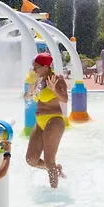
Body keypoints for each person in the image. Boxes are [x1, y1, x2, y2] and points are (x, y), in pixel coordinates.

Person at [25, 52, 68, 188]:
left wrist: (54, 89)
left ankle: (54, 193)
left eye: (36, 66)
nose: (34, 69)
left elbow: (65, 99)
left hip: (54, 120)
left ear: (45, 66)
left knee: (49, 160)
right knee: (31, 159)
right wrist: (30, 92)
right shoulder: (38, 81)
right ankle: (55, 169)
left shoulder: (57, 78)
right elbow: (26, 97)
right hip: (39, 122)